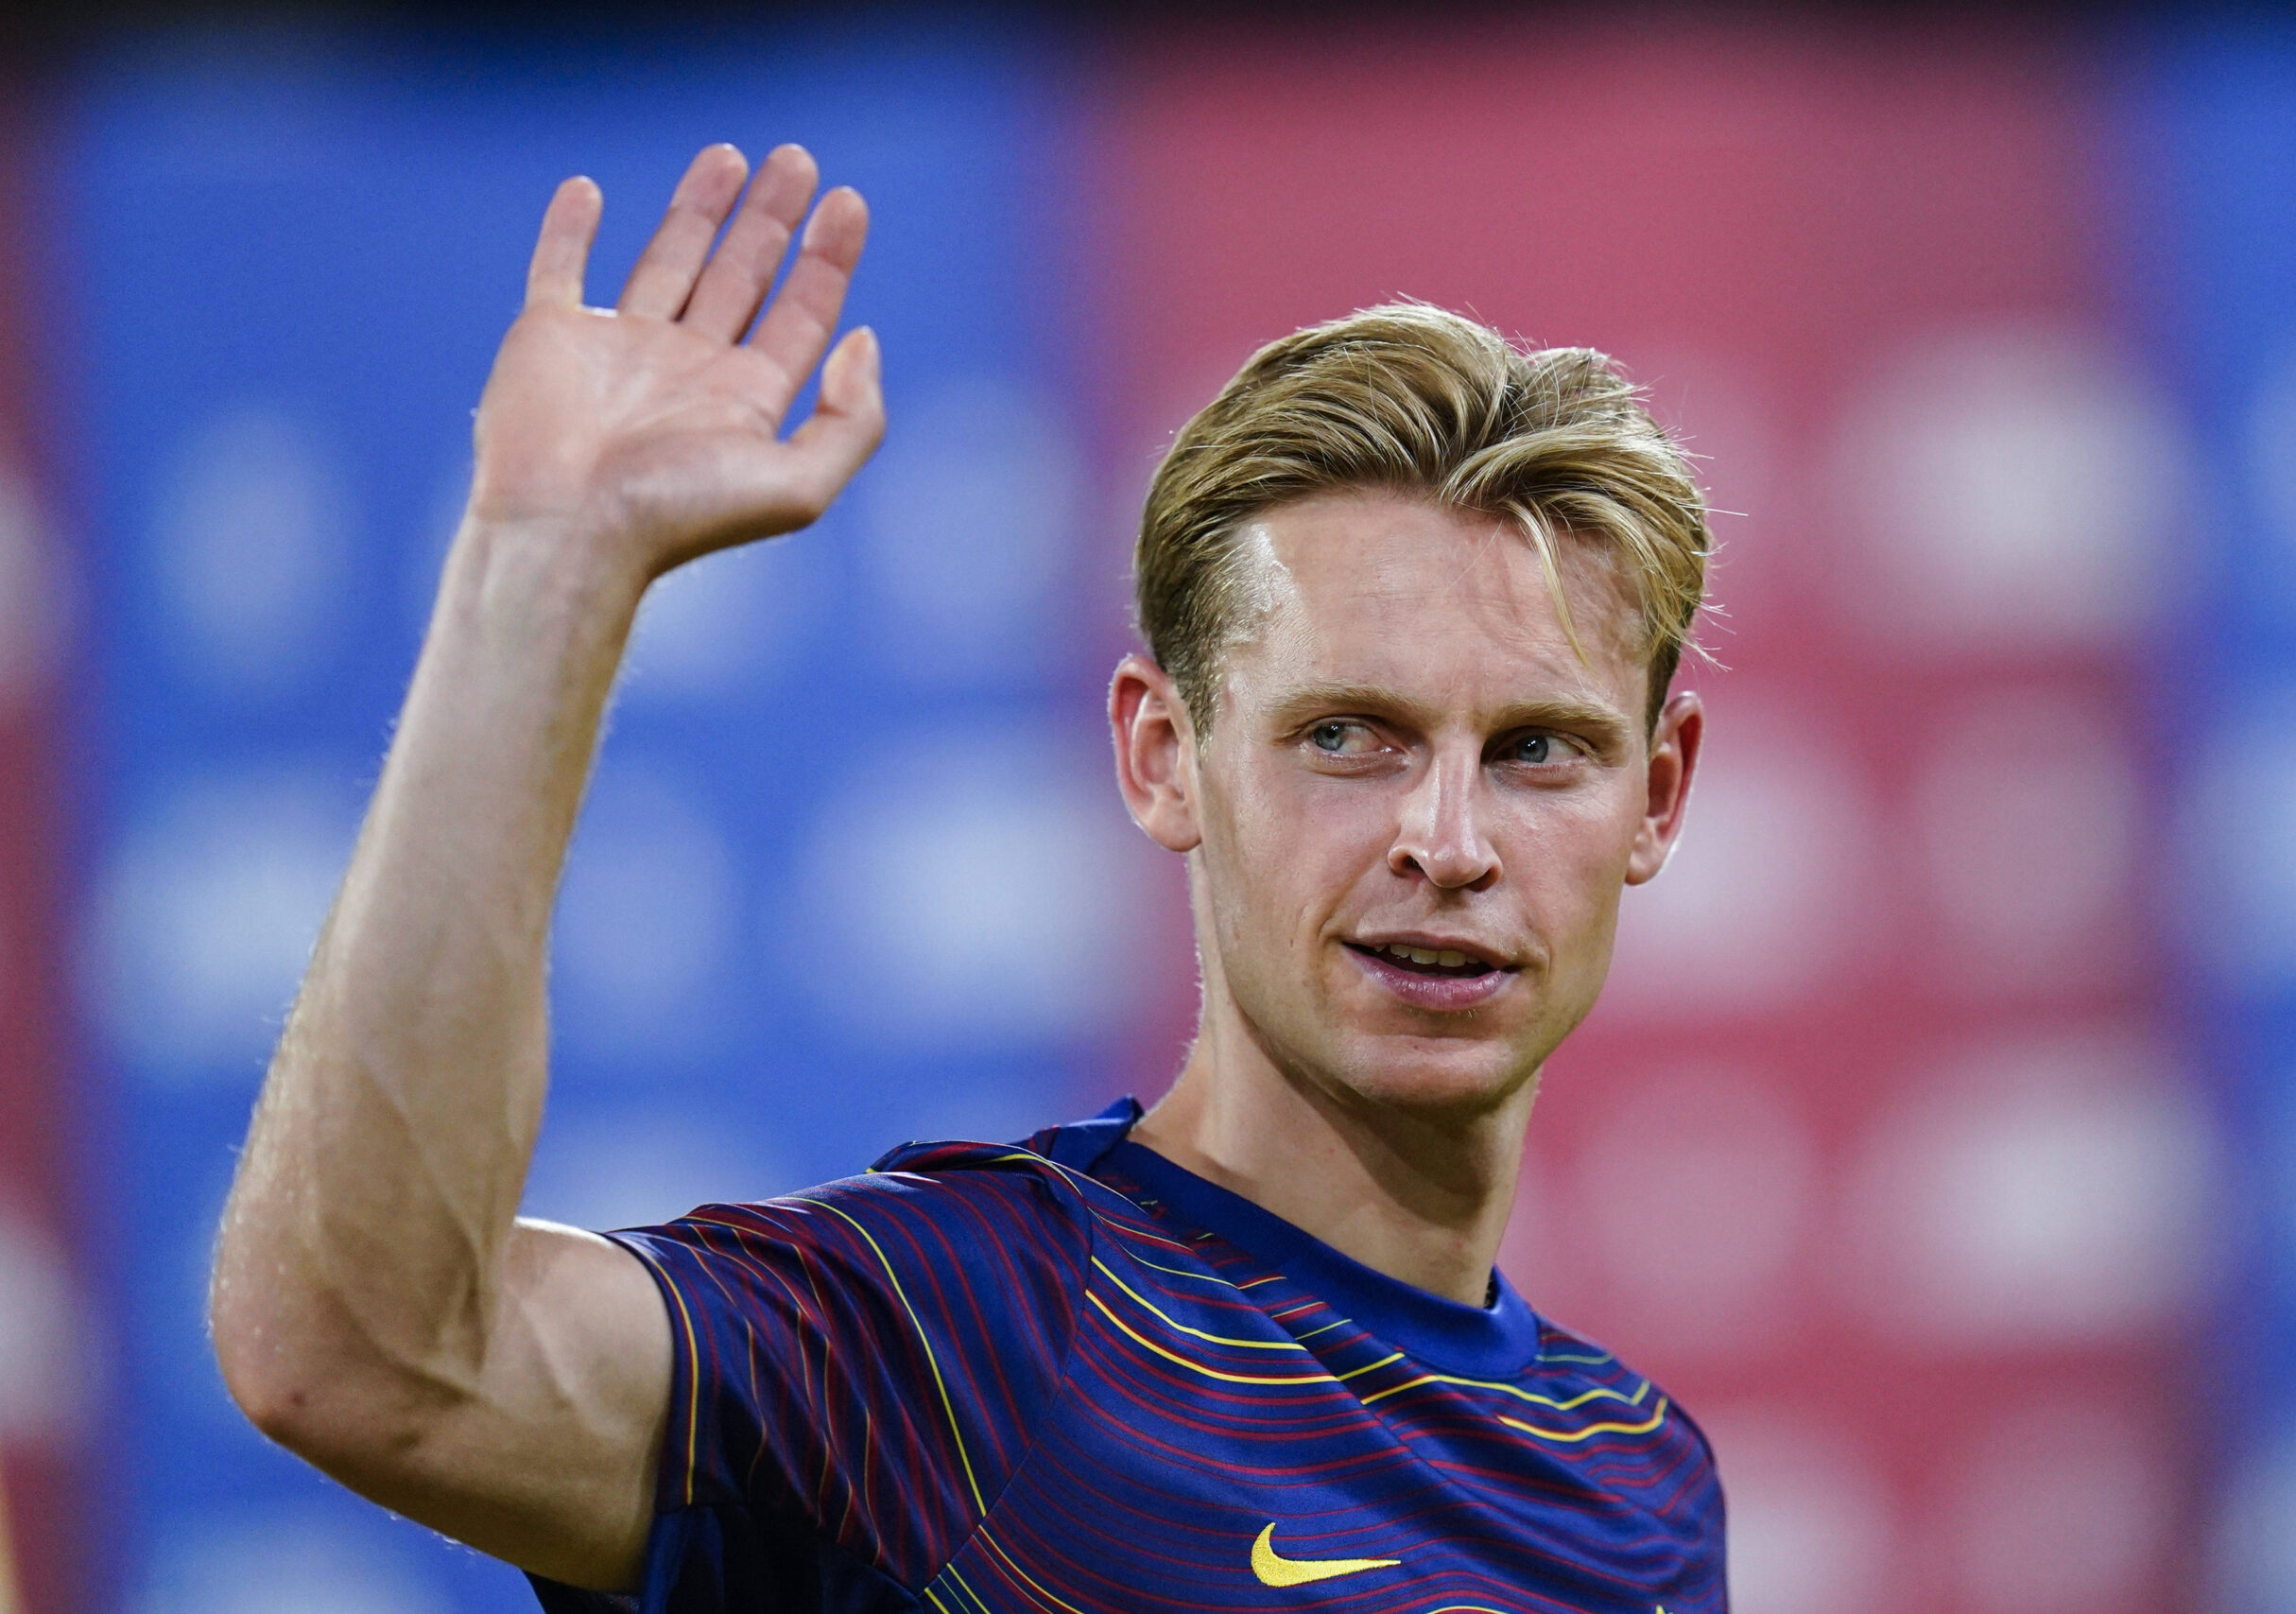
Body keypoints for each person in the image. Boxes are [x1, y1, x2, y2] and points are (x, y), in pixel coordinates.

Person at [209, 142, 1723, 1613]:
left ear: (1654, 797)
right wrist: (546, 564)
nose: (1448, 843)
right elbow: (360, 1355)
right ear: (1160, 756)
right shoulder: (972, 1331)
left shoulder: (1641, 1489)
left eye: (1537, 750)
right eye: (1347, 736)